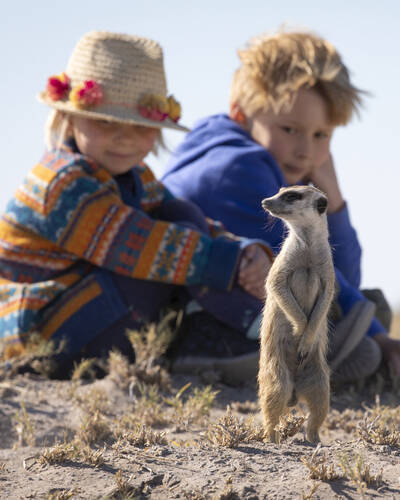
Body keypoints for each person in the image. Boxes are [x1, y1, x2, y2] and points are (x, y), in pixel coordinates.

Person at [0, 30, 272, 379]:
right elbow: (137, 245)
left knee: (181, 215)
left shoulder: (135, 175)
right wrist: (231, 264)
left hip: (91, 316)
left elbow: (194, 225)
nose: (123, 137)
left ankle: (217, 331)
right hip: (42, 337)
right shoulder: (61, 183)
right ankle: (237, 329)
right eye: (105, 121)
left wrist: (248, 253)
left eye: (138, 127)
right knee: (160, 257)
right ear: (69, 118)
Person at [162, 30, 400, 382]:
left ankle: (339, 351)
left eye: (322, 136)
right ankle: (222, 354)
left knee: (366, 304)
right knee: (359, 327)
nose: (306, 151)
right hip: (193, 311)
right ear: (241, 114)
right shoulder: (234, 166)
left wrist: (331, 196)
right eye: (290, 129)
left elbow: (344, 272)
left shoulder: (245, 152)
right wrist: (378, 334)